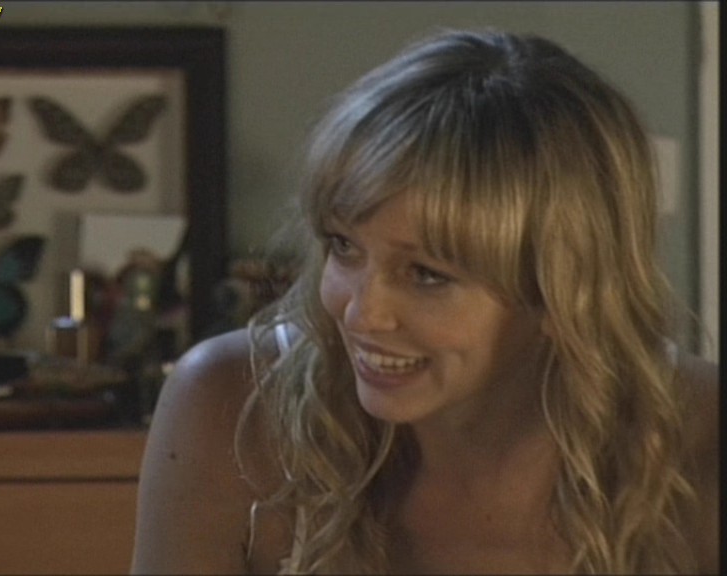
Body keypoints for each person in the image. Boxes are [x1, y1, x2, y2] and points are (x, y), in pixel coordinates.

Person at [131, 29, 718, 574]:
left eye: (427, 275)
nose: (361, 314)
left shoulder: (704, 441)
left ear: (565, 290)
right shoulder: (233, 411)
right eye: (344, 247)